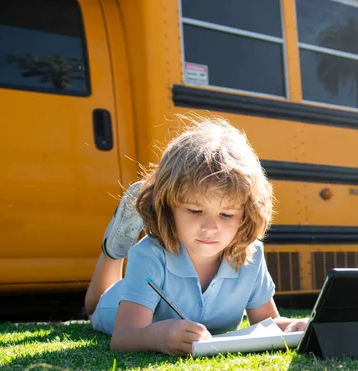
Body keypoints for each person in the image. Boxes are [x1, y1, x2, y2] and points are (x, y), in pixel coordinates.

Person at [84, 116, 308, 356]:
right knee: (95, 305)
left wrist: (294, 327)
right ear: (167, 207)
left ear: (246, 215)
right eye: (195, 211)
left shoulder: (250, 255)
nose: (210, 227)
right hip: (114, 305)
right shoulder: (148, 254)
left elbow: (268, 323)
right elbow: (124, 337)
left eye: (226, 214)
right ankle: (114, 251)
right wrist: (159, 336)